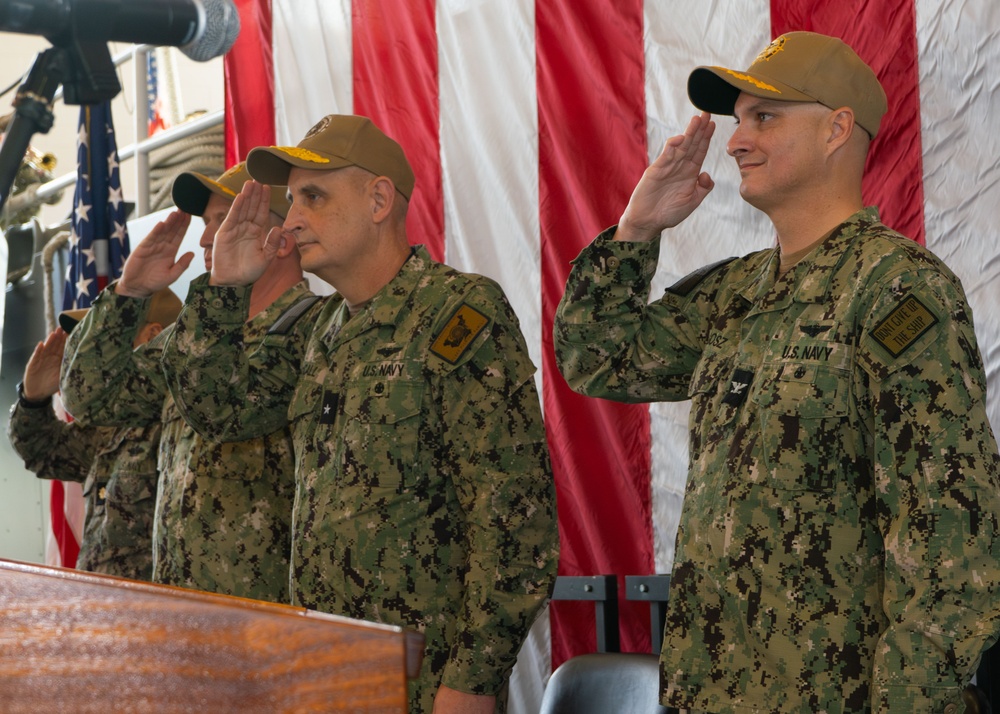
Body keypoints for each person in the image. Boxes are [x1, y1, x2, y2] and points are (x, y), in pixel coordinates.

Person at [553, 31, 1000, 713]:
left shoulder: (897, 293)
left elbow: (949, 542)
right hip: (712, 691)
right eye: (740, 120)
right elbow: (596, 355)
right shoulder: (737, 293)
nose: (736, 141)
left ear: (837, 130)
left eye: (765, 117)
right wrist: (637, 230)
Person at [139, 114, 558, 714]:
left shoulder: (455, 311)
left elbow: (515, 522)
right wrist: (225, 287)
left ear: (379, 199)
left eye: (313, 196)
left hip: (418, 676)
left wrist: (470, 682)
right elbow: (218, 411)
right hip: (326, 669)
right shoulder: (324, 330)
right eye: (290, 201)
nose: (293, 218)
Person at [59, 163, 321, 602]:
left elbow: (225, 412)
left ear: (279, 241)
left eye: (221, 222)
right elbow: (88, 397)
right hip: (178, 613)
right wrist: (129, 295)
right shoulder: (186, 340)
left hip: (264, 623)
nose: (204, 240)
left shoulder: (315, 331)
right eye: (206, 225)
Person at [8, 290, 180, 580]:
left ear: (152, 336)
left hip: (162, 613)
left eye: (105, 342)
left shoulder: (188, 420)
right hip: (103, 607)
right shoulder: (114, 424)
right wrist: (33, 399)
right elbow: (45, 451)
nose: (88, 356)